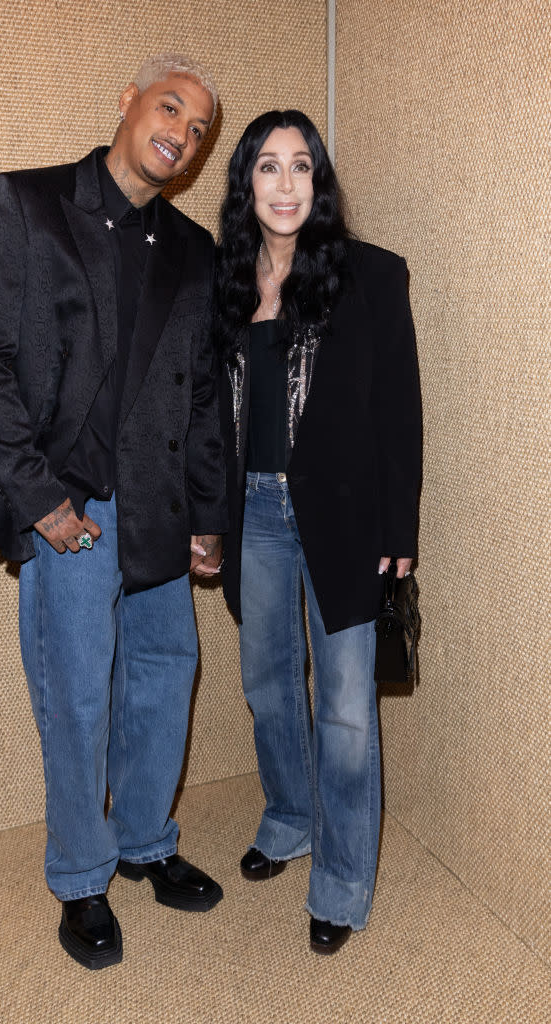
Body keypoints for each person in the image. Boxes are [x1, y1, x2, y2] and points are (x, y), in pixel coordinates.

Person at [0, 54, 227, 971]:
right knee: (76, 699)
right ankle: (81, 876)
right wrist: (40, 500)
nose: (182, 137)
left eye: (198, 132)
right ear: (126, 102)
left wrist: (206, 516)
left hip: (157, 507)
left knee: (164, 674)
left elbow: (202, 402)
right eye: (170, 110)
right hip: (69, 510)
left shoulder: (196, 252)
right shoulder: (28, 204)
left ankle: (147, 841)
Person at [215, 110, 421, 954]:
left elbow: (400, 412)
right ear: (247, 184)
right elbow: (208, 413)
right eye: (268, 166)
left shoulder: (372, 274)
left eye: (302, 166)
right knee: (268, 687)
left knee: (342, 709)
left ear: (320, 182)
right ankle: (290, 819)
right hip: (252, 515)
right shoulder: (223, 282)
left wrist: (397, 526)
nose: (287, 183)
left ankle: (339, 882)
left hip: (340, 519)